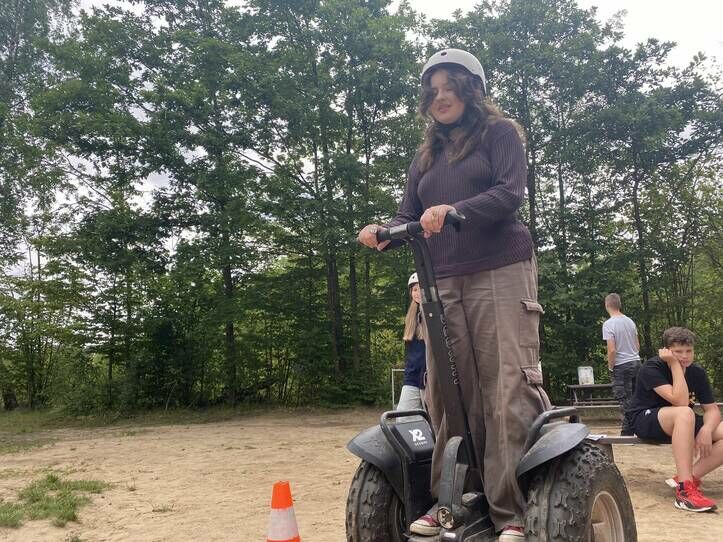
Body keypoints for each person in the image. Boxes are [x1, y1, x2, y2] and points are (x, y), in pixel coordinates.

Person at [357, 48, 549, 542]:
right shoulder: (426, 155)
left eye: (450, 87)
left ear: (472, 90)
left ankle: (511, 510)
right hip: (441, 277)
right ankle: (454, 501)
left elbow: (509, 193)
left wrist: (455, 209)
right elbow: (408, 214)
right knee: (445, 391)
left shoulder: (500, 134)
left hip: (499, 269)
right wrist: (383, 231)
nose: (440, 97)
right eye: (433, 90)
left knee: (504, 386)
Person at [627, 327, 723, 512]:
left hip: (683, 423)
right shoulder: (652, 367)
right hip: (646, 420)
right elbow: (680, 401)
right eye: (678, 352)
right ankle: (685, 492)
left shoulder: (697, 372)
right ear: (666, 351)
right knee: (685, 412)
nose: (685, 356)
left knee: (691, 417)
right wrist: (674, 365)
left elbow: (712, 410)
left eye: (689, 351)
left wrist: (706, 430)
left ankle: (687, 478)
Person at [602, 293, 641, 435]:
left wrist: (610, 366)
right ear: (619, 304)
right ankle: (638, 427)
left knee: (624, 399)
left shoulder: (609, 324)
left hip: (621, 365)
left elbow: (612, 350)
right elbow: (637, 346)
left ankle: (627, 432)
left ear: (607, 305)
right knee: (636, 397)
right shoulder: (630, 322)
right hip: (636, 362)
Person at [396, 273, 427, 412]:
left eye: (421, 289)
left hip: (431, 378)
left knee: (433, 418)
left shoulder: (434, 315)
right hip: (412, 377)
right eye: (414, 290)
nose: (418, 293)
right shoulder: (411, 318)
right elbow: (411, 354)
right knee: (403, 417)